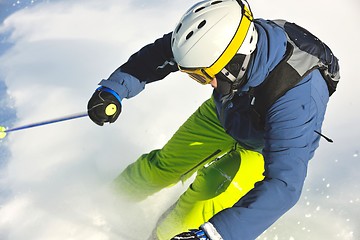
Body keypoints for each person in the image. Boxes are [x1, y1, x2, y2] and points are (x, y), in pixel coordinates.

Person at [87, 0, 340, 239]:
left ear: (235, 62)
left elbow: (284, 186)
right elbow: (162, 54)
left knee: (204, 197)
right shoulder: (220, 41)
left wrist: (213, 235)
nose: (205, 83)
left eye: (202, 76)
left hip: (265, 146)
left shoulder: (297, 99)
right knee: (161, 167)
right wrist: (114, 90)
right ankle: (104, 203)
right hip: (227, 113)